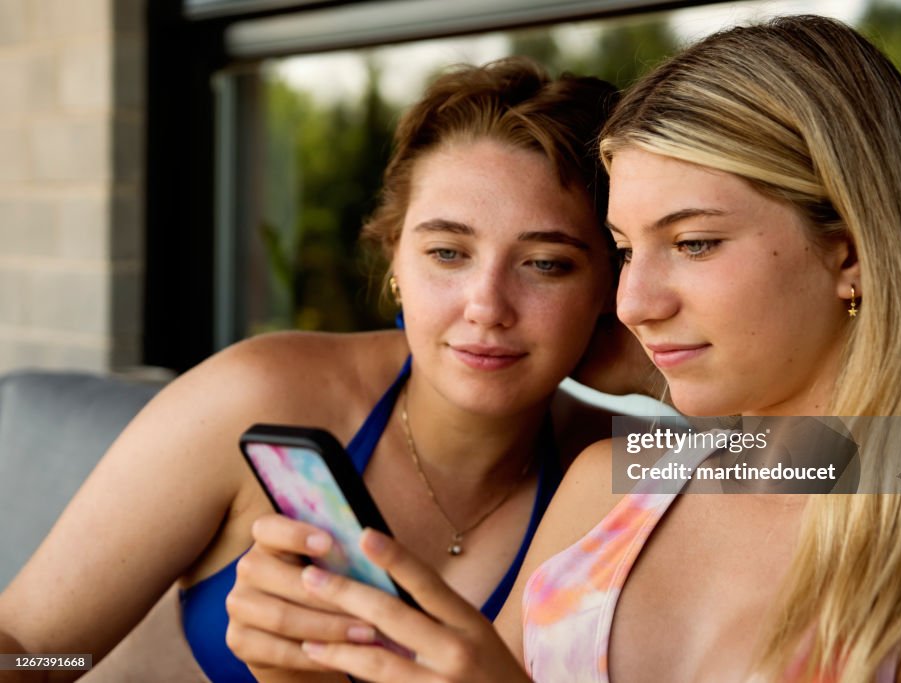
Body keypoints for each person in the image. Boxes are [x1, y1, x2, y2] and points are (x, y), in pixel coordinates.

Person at [234, 15, 901, 683]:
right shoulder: (616, 482)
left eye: (695, 242)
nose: (634, 303)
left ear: (851, 253)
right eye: (624, 249)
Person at [0, 57, 631, 682]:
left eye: (547, 264)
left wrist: (654, 375)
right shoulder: (259, 392)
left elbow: (736, 466)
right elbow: (33, 649)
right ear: (395, 261)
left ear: (611, 283)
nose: (487, 307)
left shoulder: (625, 460)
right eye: (446, 252)